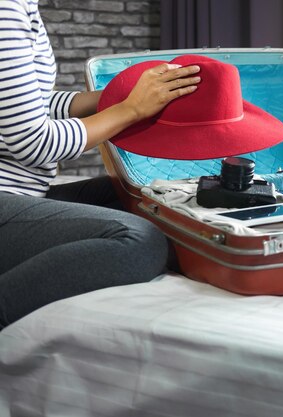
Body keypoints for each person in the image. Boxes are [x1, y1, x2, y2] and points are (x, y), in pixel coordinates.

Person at [0, 0, 201, 328]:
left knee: (137, 197)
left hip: (17, 196)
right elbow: (34, 143)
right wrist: (131, 111)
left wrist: (112, 98)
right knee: (140, 240)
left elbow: (28, 103)